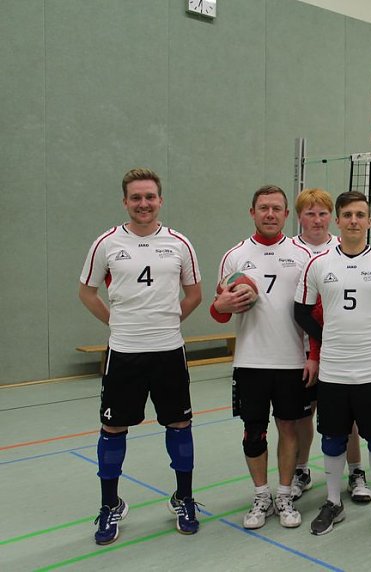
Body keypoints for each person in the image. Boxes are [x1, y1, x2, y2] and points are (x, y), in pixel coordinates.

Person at [79, 168, 203, 544]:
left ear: (160, 200)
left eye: (150, 197)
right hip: (124, 353)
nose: (143, 203)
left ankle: (184, 498)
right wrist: (117, 323)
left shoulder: (179, 243)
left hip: (168, 351)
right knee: (113, 428)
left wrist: (166, 322)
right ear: (125, 202)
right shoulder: (106, 243)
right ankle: (110, 505)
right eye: (136, 197)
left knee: (179, 424)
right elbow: (87, 292)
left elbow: (194, 294)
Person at [294, 191, 371, 538]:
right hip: (333, 371)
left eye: (360, 215)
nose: (353, 221)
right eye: (347, 215)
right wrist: (326, 340)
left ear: (369, 221)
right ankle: (333, 502)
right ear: (338, 220)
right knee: (333, 438)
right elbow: (300, 310)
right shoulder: (319, 264)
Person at [210, 185, 316, 530]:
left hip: (292, 361)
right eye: (263, 208)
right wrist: (220, 306)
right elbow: (220, 311)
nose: (270, 214)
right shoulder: (235, 256)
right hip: (250, 362)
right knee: (253, 431)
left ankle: (284, 494)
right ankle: (261, 496)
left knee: (289, 428)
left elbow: (314, 311)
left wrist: (313, 356)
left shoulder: (303, 255)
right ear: (252, 212)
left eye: (276, 209)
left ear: (286, 215)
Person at [291, 188, 371, 504]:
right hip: (297, 350)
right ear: (299, 217)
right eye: (310, 213)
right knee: (303, 415)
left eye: (322, 213)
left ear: (332, 218)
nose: (317, 219)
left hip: (341, 351)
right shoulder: (291, 251)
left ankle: (355, 471)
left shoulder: (346, 248)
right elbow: (302, 309)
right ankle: (301, 470)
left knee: (347, 417)